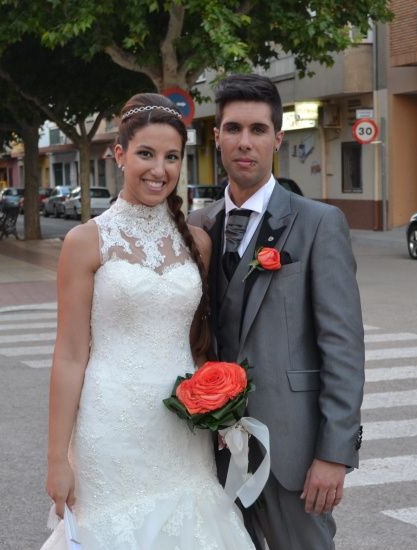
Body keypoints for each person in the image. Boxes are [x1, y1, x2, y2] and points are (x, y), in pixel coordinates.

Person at [41, 93, 255, 549]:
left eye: (171, 157)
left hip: (181, 429)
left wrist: (219, 410)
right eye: (145, 154)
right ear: (118, 155)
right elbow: (70, 354)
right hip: (110, 425)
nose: (159, 169)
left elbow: (200, 344)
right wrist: (57, 457)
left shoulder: (197, 242)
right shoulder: (85, 241)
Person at [188, 73, 365, 550]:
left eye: (258, 130)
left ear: (277, 139)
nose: (245, 142)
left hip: (293, 453)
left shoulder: (318, 224)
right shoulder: (196, 227)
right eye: (233, 128)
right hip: (210, 451)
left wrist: (334, 453)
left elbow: (343, 348)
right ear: (217, 136)